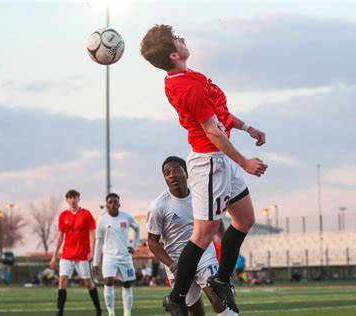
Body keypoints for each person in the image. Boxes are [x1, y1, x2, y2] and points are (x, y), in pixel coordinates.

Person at [140, 25, 267, 315]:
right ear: (174, 54)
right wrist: (245, 162)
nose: (183, 39)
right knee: (203, 234)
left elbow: (219, 115)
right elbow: (213, 131)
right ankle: (176, 298)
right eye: (178, 40)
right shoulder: (188, 85)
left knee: (245, 219)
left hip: (220, 159)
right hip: (209, 162)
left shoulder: (186, 77)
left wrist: (248, 127)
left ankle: (221, 279)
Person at [147, 156, 238, 316]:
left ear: (187, 173)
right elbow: (153, 242)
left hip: (204, 255)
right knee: (195, 311)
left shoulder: (201, 195)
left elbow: (215, 220)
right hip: (178, 262)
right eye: (167, 173)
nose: (172, 175)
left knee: (219, 298)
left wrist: (226, 251)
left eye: (176, 170)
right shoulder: (158, 205)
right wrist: (172, 265)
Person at [50, 190, 102, 316]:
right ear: (67, 200)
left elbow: (92, 233)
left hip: (82, 255)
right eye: (70, 198)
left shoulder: (86, 214)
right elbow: (60, 236)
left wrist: (91, 251)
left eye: (75, 197)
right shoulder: (63, 216)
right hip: (67, 255)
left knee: (88, 283)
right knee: (62, 280)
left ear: (78, 199)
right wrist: (54, 255)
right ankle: (59, 311)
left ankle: (98, 309)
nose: (72, 200)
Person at [93, 193, 140, 316]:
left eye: (115, 202)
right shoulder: (101, 221)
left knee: (127, 283)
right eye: (110, 202)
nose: (113, 204)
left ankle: (127, 313)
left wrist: (134, 246)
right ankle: (111, 312)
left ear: (119, 204)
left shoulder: (127, 217)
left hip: (125, 257)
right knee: (109, 281)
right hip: (109, 258)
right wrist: (95, 262)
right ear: (107, 205)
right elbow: (98, 242)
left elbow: (137, 229)